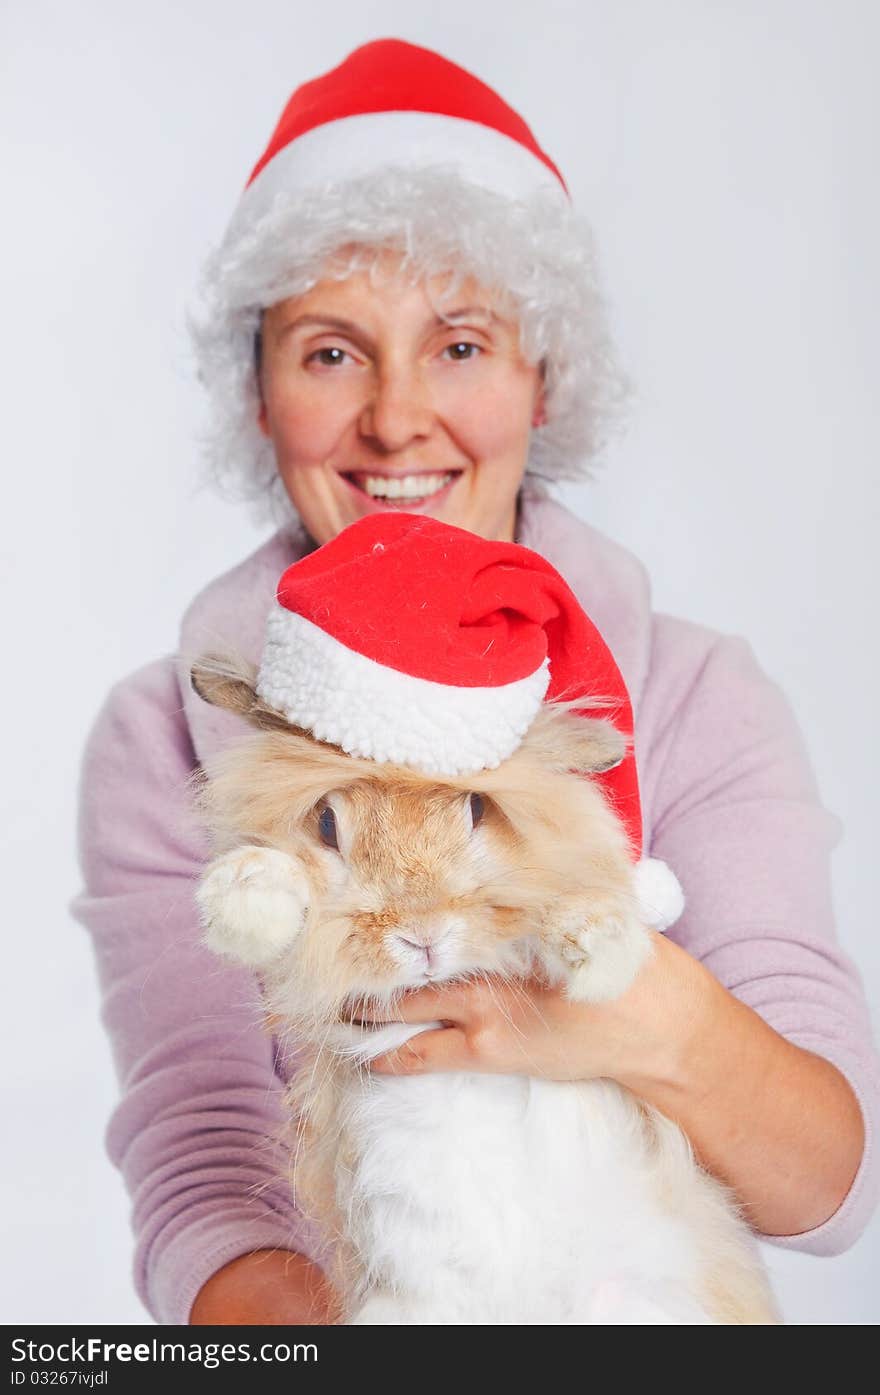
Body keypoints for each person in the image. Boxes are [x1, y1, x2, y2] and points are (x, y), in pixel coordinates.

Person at [70, 38, 879, 1326]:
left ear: (543, 377)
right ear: (258, 390)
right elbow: (208, 1149)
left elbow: (826, 1183)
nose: (397, 422)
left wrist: (622, 1018)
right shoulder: (165, 732)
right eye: (332, 352)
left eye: (459, 345)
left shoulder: (697, 694)